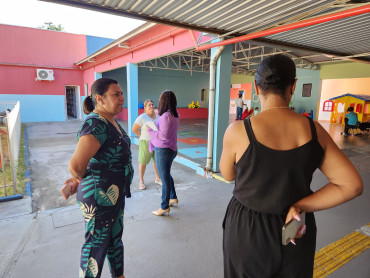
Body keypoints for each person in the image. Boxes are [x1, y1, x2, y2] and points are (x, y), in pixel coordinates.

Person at [219, 54, 363, 278]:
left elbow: (227, 174)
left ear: (257, 88)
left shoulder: (238, 131)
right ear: (293, 86)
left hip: (247, 230)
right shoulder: (314, 130)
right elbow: (352, 185)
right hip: (294, 229)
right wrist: (300, 205)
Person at [65, 78, 133, 278]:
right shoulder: (96, 123)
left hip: (113, 196)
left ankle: (118, 275)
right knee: (96, 246)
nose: (122, 98)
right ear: (99, 99)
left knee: (113, 239)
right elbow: (76, 166)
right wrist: (80, 179)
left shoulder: (109, 120)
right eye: (116, 94)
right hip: (100, 198)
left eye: (121, 93)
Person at [148, 90, 180, 216]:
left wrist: (150, 131)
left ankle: (164, 206)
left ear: (163, 101)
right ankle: (173, 197)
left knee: (164, 178)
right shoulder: (175, 114)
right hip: (171, 149)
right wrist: (157, 113)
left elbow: (163, 136)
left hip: (163, 150)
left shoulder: (166, 116)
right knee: (166, 175)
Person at [132, 99, 162, 190]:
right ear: (145, 107)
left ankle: (158, 178)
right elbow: (134, 129)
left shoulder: (157, 116)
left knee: (156, 161)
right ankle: (141, 181)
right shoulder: (142, 117)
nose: (151, 106)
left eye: (152, 104)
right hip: (145, 142)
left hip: (156, 141)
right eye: (149, 105)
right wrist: (142, 136)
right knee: (143, 162)